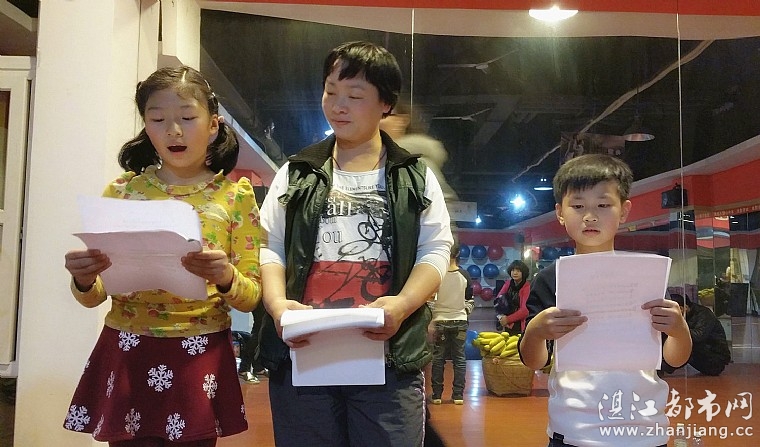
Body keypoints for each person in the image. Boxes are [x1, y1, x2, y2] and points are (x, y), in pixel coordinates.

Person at [258, 41, 453, 447]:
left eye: (355, 95)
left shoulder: (414, 176)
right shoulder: (296, 173)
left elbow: (435, 249)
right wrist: (278, 307)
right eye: (331, 91)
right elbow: (270, 246)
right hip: (305, 354)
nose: (338, 105)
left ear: (386, 104)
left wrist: (402, 305)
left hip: (389, 360)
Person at [62, 66, 262, 446]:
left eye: (187, 118)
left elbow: (251, 297)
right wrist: (84, 279)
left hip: (199, 349)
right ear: (146, 126)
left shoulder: (235, 197)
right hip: (127, 347)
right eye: (158, 120)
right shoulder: (122, 192)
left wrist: (224, 277)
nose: (173, 131)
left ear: (213, 125)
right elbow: (94, 296)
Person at [518, 154, 692, 447]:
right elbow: (535, 360)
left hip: (645, 430)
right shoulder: (550, 278)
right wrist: (535, 332)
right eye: (578, 206)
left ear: (624, 211)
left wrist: (679, 330)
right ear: (560, 213)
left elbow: (673, 358)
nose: (590, 216)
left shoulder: (645, 274)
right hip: (574, 430)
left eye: (603, 205)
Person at [428, 237, 475, 405]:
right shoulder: (465, 275)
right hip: (460, 322)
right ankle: (458, 396)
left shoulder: (437, 275)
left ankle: (437, 396)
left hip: (440, 321)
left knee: (438, 359)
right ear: (459, 253)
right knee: (459, 359)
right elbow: (470, 300)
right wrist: (463, 313)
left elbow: (430, 301)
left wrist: (432, 319)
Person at [661, 294, 731, 376]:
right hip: (701, 354)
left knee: (686, 342)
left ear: (682, 308)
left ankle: (663, 367)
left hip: (715, 358)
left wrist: (678, 332)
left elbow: (699, 336)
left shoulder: (704, 314)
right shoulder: (685, 316)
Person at [493, 260, 531, 335]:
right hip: (508, 324)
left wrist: (508, 319)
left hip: (521, 325)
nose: (515, 273)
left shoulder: (527, 287)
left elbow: (525, 310)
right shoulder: (508, 284)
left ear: (523, 273)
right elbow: (498, 301)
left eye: (518, 271)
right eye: (513, 270)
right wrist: (501, 317)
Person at [237, 302, 269, 383]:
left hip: (265, 298)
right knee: (259, 329)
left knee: (263, 331)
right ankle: (244, 368)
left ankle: (258, 366)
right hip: (260, 298)